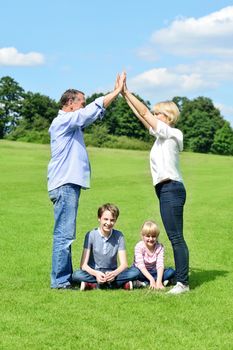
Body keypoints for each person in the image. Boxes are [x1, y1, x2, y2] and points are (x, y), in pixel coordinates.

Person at [48, 73, 126, 289]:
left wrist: (112, 98)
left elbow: (92, 115)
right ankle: (61, 282)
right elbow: (90, 112)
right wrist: (116, 92)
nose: (83, 107)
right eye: (81, 103)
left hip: (67, 185)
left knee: (65, 234)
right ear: (70, 104)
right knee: (64, 236)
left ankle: (63, 279)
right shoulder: (63, 120)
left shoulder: (70, 123)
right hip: (65, 185)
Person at [121, 74, 190, 294]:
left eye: (158, 112)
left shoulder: (172, 133)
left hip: (171, 188)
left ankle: (183, 283)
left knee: (176, 237)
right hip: (165, 190)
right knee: (175, 236)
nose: (154, 115)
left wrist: (129, 92)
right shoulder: (161, 136)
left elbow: (144, 113)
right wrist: (124, 94)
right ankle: (180, 280)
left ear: (168, 117)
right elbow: (142, 117)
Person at [72, 203, 139, 290]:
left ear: (115, 220)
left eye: (112, 220)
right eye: (105, 219)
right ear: (99, 218)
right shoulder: (91, 235)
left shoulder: (119, 236)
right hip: (94, 272)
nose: (108, 223)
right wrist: (96, 274)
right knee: (76, 275)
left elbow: (124, 264)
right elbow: (83, 265)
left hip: (111, 272)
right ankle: (116, 284)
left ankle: (94, 285)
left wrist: (114, 274)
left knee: (135, 272)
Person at [133, 220, 175, 289]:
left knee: (171, 271)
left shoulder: (159, 247)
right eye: (148, 236)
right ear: (143, 236)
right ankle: (152, 281)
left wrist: (159, 281)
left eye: (153, 236)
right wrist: (151, 279)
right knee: (133, 273)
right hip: (141, 272)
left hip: (154, 272)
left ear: (157, 236)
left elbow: (160, 264)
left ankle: (146, 283)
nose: (151, 239)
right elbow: (141, 265)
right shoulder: (139, 246)